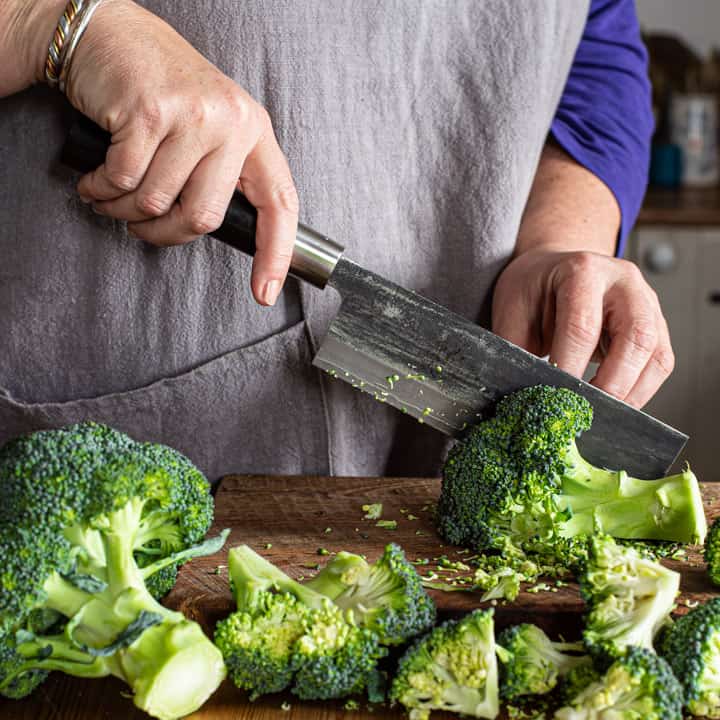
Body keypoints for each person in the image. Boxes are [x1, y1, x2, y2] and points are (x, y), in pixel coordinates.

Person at [0, 0, 668, 480]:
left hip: (439, 426)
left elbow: (595, 43)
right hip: (107, 374)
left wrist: (557, 238)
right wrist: (57, 23)